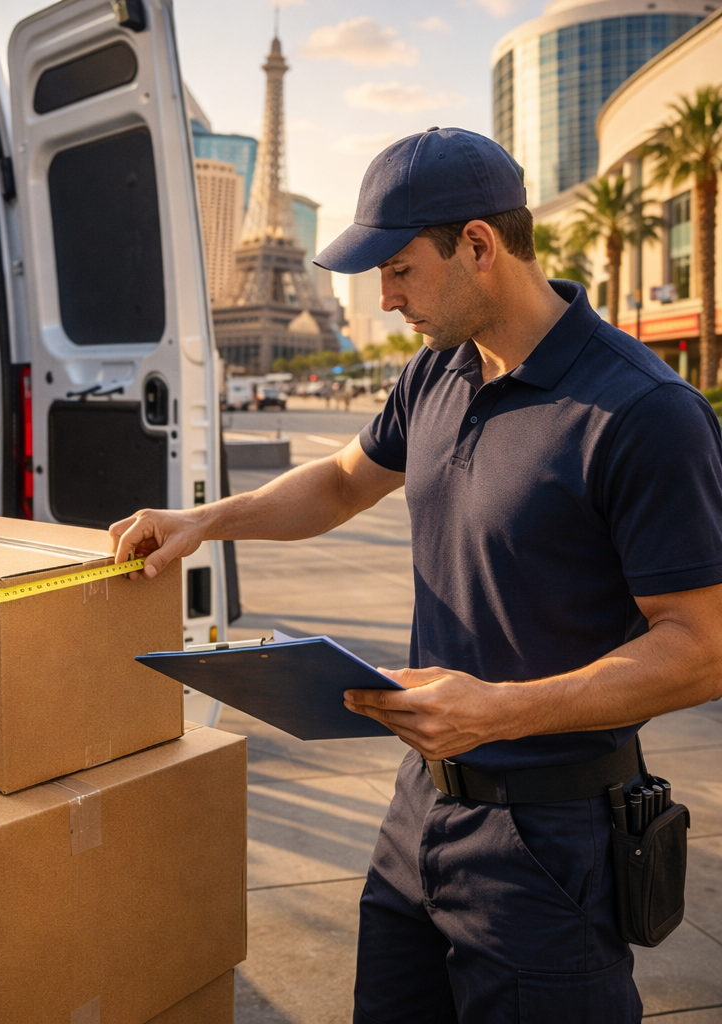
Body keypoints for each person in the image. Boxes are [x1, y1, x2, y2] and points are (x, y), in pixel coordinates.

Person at [110, 127, 722, 1023]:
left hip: (551, 840)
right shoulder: (436, 371)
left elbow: (703, 650)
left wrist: (498, 710)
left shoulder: (644, 412)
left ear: (478, 244)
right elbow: (340, 482)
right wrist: (205, 520)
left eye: (398, 270)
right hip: (417, 813)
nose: (386, 298)